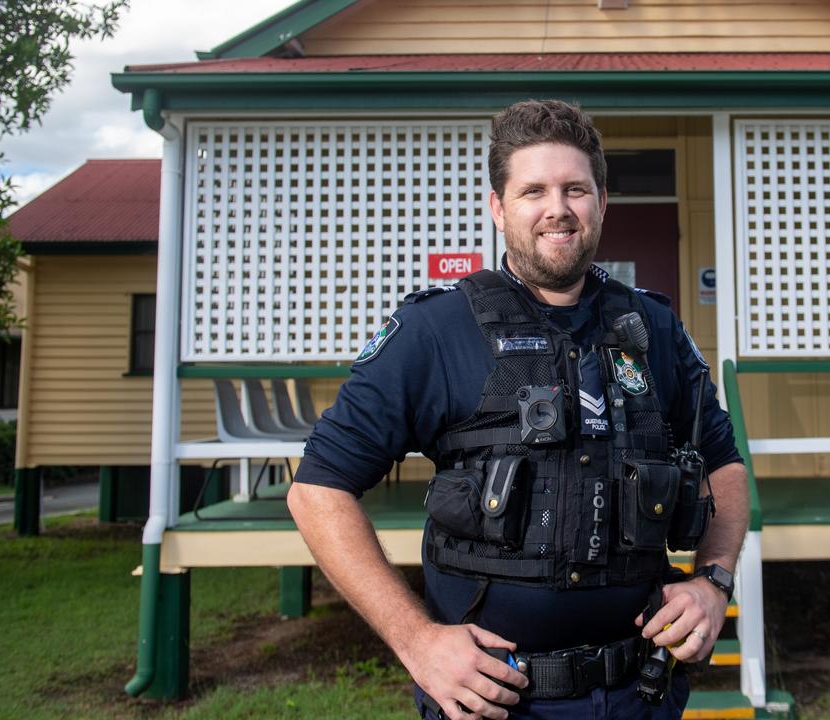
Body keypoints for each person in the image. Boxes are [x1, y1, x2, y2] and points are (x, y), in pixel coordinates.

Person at [287, 99, 749, 720]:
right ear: (498, 209)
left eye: (575, 190)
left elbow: (726, 466)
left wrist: (713, 582)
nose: (557, 209)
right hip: (495, 703)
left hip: (642, 694)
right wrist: (416, 640)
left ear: (601, 204)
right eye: (534, 190)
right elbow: (317, 490)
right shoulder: (436, 331)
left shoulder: (653, 327)